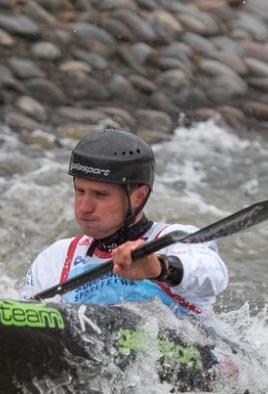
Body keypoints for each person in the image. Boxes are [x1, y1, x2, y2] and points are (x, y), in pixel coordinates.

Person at [20, 128, 229, 323]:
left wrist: (158, 268)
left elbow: (215, 275)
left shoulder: (174, 239)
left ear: (139, 197)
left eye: (100, 194)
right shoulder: (56, 258)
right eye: (80, 191)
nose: (84, 207)